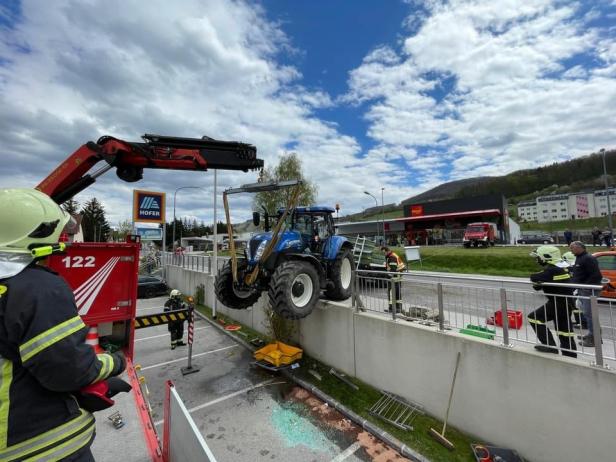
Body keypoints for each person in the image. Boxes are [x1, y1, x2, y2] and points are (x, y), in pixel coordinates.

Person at [0, 188, 127, 461]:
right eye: (59, 233)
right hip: (38, 446)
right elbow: (68, 369)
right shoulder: (37, 289)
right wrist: (114, 363)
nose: (64, 239)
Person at [527, 245, 577, 358]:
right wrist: (539, 281)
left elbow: (534, 277)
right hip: (565, 303)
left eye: (538, 257)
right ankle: (570, 355)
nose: (537, 260)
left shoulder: (554, 269)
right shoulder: (561, 267)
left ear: (546, 257)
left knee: (534, 318)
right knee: (564, 331)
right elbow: (538, 286)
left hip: (559, 302)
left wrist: (537, 278)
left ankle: (550, 346)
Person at [569, 241, 603, 347]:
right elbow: (579, 271)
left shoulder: (588, 258)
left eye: (572, 248)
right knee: (588, 314)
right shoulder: (580, 258)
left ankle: (594, 339)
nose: (571, 250)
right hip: (584, 290)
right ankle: (592, 334)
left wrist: (586, 287)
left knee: (590, 315)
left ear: (580, 248)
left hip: (589, 291)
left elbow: (597, 276)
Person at [381, 246, 406, 313]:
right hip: (398, 275)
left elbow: (393, 270)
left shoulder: (391, 257)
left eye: (384, 253)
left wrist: (387, 275)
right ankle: (398, 308)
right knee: (397, 292)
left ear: (387, 251)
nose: (384, 254)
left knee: (391, 291)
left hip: (395, 276)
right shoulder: (392, 255)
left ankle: (392, 309)